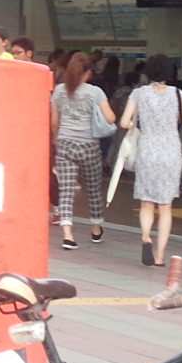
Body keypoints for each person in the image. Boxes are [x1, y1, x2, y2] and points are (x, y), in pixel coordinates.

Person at [118, 53, 182, 268]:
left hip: (147, 150)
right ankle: (160, 256)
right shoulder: (178, 94)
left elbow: (124, 122)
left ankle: (146, 237)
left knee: (146, 202)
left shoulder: (138, 94)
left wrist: (136, 123)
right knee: (165, 206)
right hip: (171, 152)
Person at [50, 51, 116, 249]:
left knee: (66, 190)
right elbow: (111, 118)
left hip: (65, 144)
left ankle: (67, 235)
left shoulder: (59, 90)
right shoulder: (95, 92)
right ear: (87, 72)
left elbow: (54, 122)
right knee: (93, 189)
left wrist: (56, 139)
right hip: (89, 146)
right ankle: (95, 229)